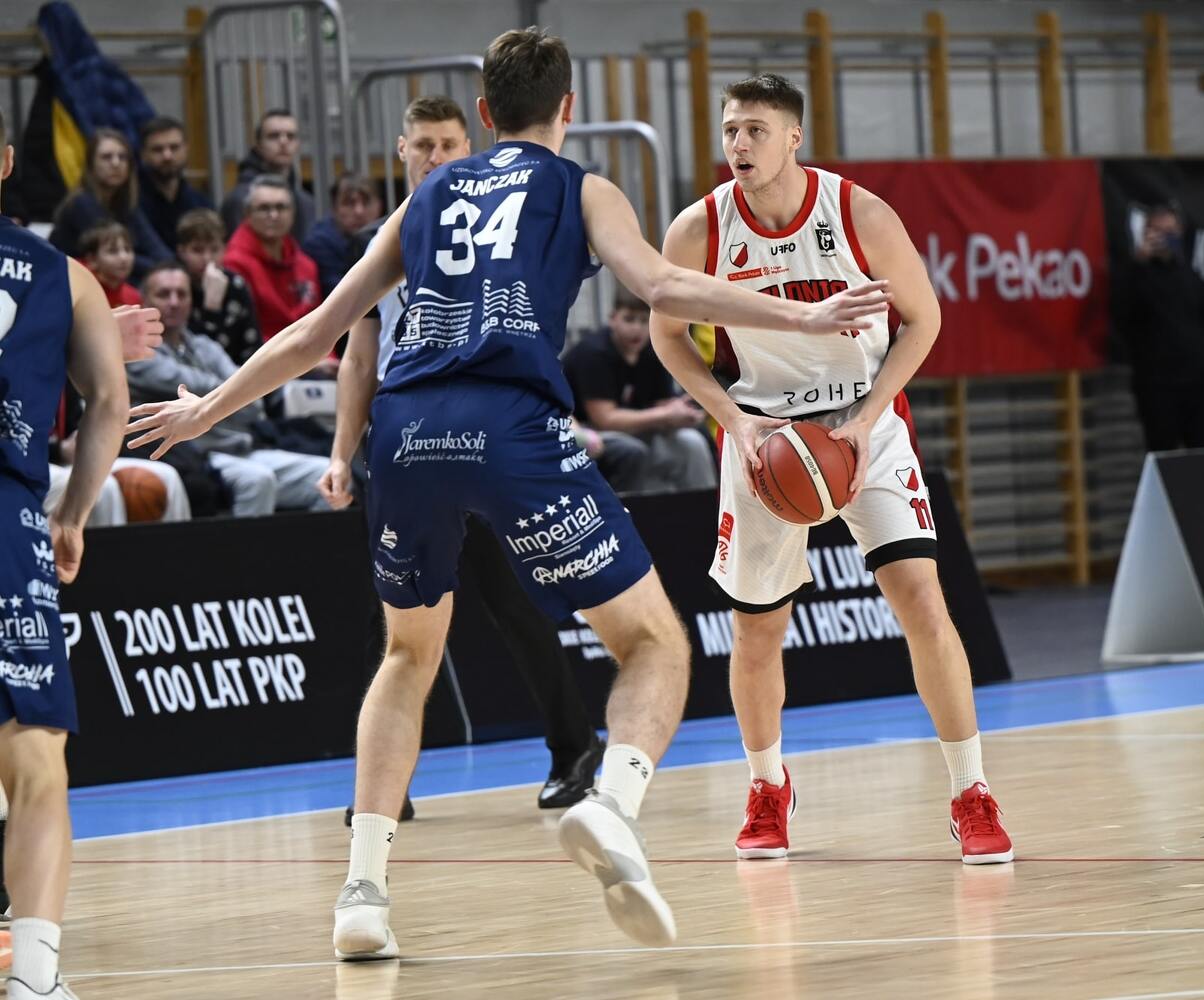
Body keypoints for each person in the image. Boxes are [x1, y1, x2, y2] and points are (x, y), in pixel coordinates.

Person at [125, 27, 888, 958]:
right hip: (511, 427)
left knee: (405, 656)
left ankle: (362, 893)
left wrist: (206, 409)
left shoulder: (427, 194)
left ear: (483, 114)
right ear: (568, 107)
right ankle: (612, 804)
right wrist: (801, 315)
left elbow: (320, 329)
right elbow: (662, 285)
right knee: (653, 642)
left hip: (406, 433)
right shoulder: (582, 188)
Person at [649, 73, 1013, 866]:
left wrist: (868, 416)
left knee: (921, 600)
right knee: (756, 628)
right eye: (730, 129)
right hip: (764, 434)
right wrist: (733, 419)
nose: (738, 144)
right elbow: (666, 336)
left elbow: (924, 320)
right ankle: (766, 787)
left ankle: (971, 791)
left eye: (754, 130)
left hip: (864, 423)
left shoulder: (859, 214)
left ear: (792, 138)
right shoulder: (699, 228)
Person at [322, 94, 603, 813]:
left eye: (448, 144)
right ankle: (386, 785)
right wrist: (340, 453)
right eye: (423, 145)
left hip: (489, 438)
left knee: (514, 600)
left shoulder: (498, 227)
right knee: (389, 623)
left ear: (470, 146)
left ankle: (575, 747)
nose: (435, 156)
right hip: (406, 445)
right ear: (401, 150)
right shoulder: (386, 239)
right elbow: (359, 358)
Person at [0, 105, 131, 1000]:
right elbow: (110, 401)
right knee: (35, 758)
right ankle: (37, 975)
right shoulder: (63, 274)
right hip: (8, 521)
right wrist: (73, 513)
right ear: (7, 162)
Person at [128, 261, 326, 516]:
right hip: (195, 456)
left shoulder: (205, 346)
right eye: (164, 294)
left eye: (182, 294)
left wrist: (227, 394)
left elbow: (254, 402)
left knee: (326, 475)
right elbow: (238, 387)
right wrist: (232, 391)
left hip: (243, 447)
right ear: (144, 300)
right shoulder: (137, 353)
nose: (174, 302)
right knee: (257, 480)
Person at [564, 290, 716, 494]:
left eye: (644, 321)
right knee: (631, 451)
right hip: (590, 432)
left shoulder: (653, 350)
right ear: (612, 319)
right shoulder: (594, 353)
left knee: (693, 441)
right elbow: (605, 419)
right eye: (629, 319)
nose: (637, 329)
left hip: (640, 430)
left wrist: (682, 412)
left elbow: (662, 403)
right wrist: (665, 414)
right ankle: (629, 512)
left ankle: (707, 507)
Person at [1116, 203, 1204, 452]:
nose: (1167, 238)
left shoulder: (1187, 273)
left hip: (1196, 383)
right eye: (1160, 232)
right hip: (1158, 386)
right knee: (1164, 454)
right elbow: (1122, 312)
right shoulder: (1136, 274)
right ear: (1148, 234)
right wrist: (1139, 263)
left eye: (1172, 232)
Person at [221, 176, 325, 369]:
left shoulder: (307, 265)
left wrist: (326, 357)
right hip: (260, 365)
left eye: (281, 207)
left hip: (312, 360)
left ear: (293, 213)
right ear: (247, 214)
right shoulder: (233, 264)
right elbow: (246, 335)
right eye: (264, 208)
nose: (274, 215)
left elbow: (319, 323)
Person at [49, 128, 171, 280]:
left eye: (122, 157)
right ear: (91, 164)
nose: (116, 163)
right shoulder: (81, 204)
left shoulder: (126, 204)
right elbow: (117, 260)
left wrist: (171, 267)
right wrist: (164, 269)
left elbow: (156, 248)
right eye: (106, 157)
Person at [176, 209, 261, 367]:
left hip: (238, 370)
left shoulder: (236, 285)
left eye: (214, 250)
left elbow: (251, 344)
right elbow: (191, 353)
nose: (207, 258)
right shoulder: (176, 288)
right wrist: (211, 309)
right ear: (182, 252)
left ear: (224, 249)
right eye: (197, 250)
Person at [220, 110, 317, 242]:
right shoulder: (240, 200)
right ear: (258, 144)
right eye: (274, 136)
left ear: (298, 144)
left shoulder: (306, 203)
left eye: (290, 136)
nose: (283, 141)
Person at [136, 116, 213, 252]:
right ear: (143, 154)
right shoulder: (132, 204)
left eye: (174, 147)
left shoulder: (201, 203)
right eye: (158, 149)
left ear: (186, 149)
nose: (167, 156)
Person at [303, 173, 381, 298]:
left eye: (366, 202)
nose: (359, 211)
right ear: (334, 208)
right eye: (349, 203)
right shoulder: (319, 244)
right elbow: (343, 296)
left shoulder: (389, 234)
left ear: (379, 205)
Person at [75, 222, 139, 308]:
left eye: (127, 249)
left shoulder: (133, 297)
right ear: (92, 260)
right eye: (112, 251)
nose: (124, 257)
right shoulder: (77, 290)